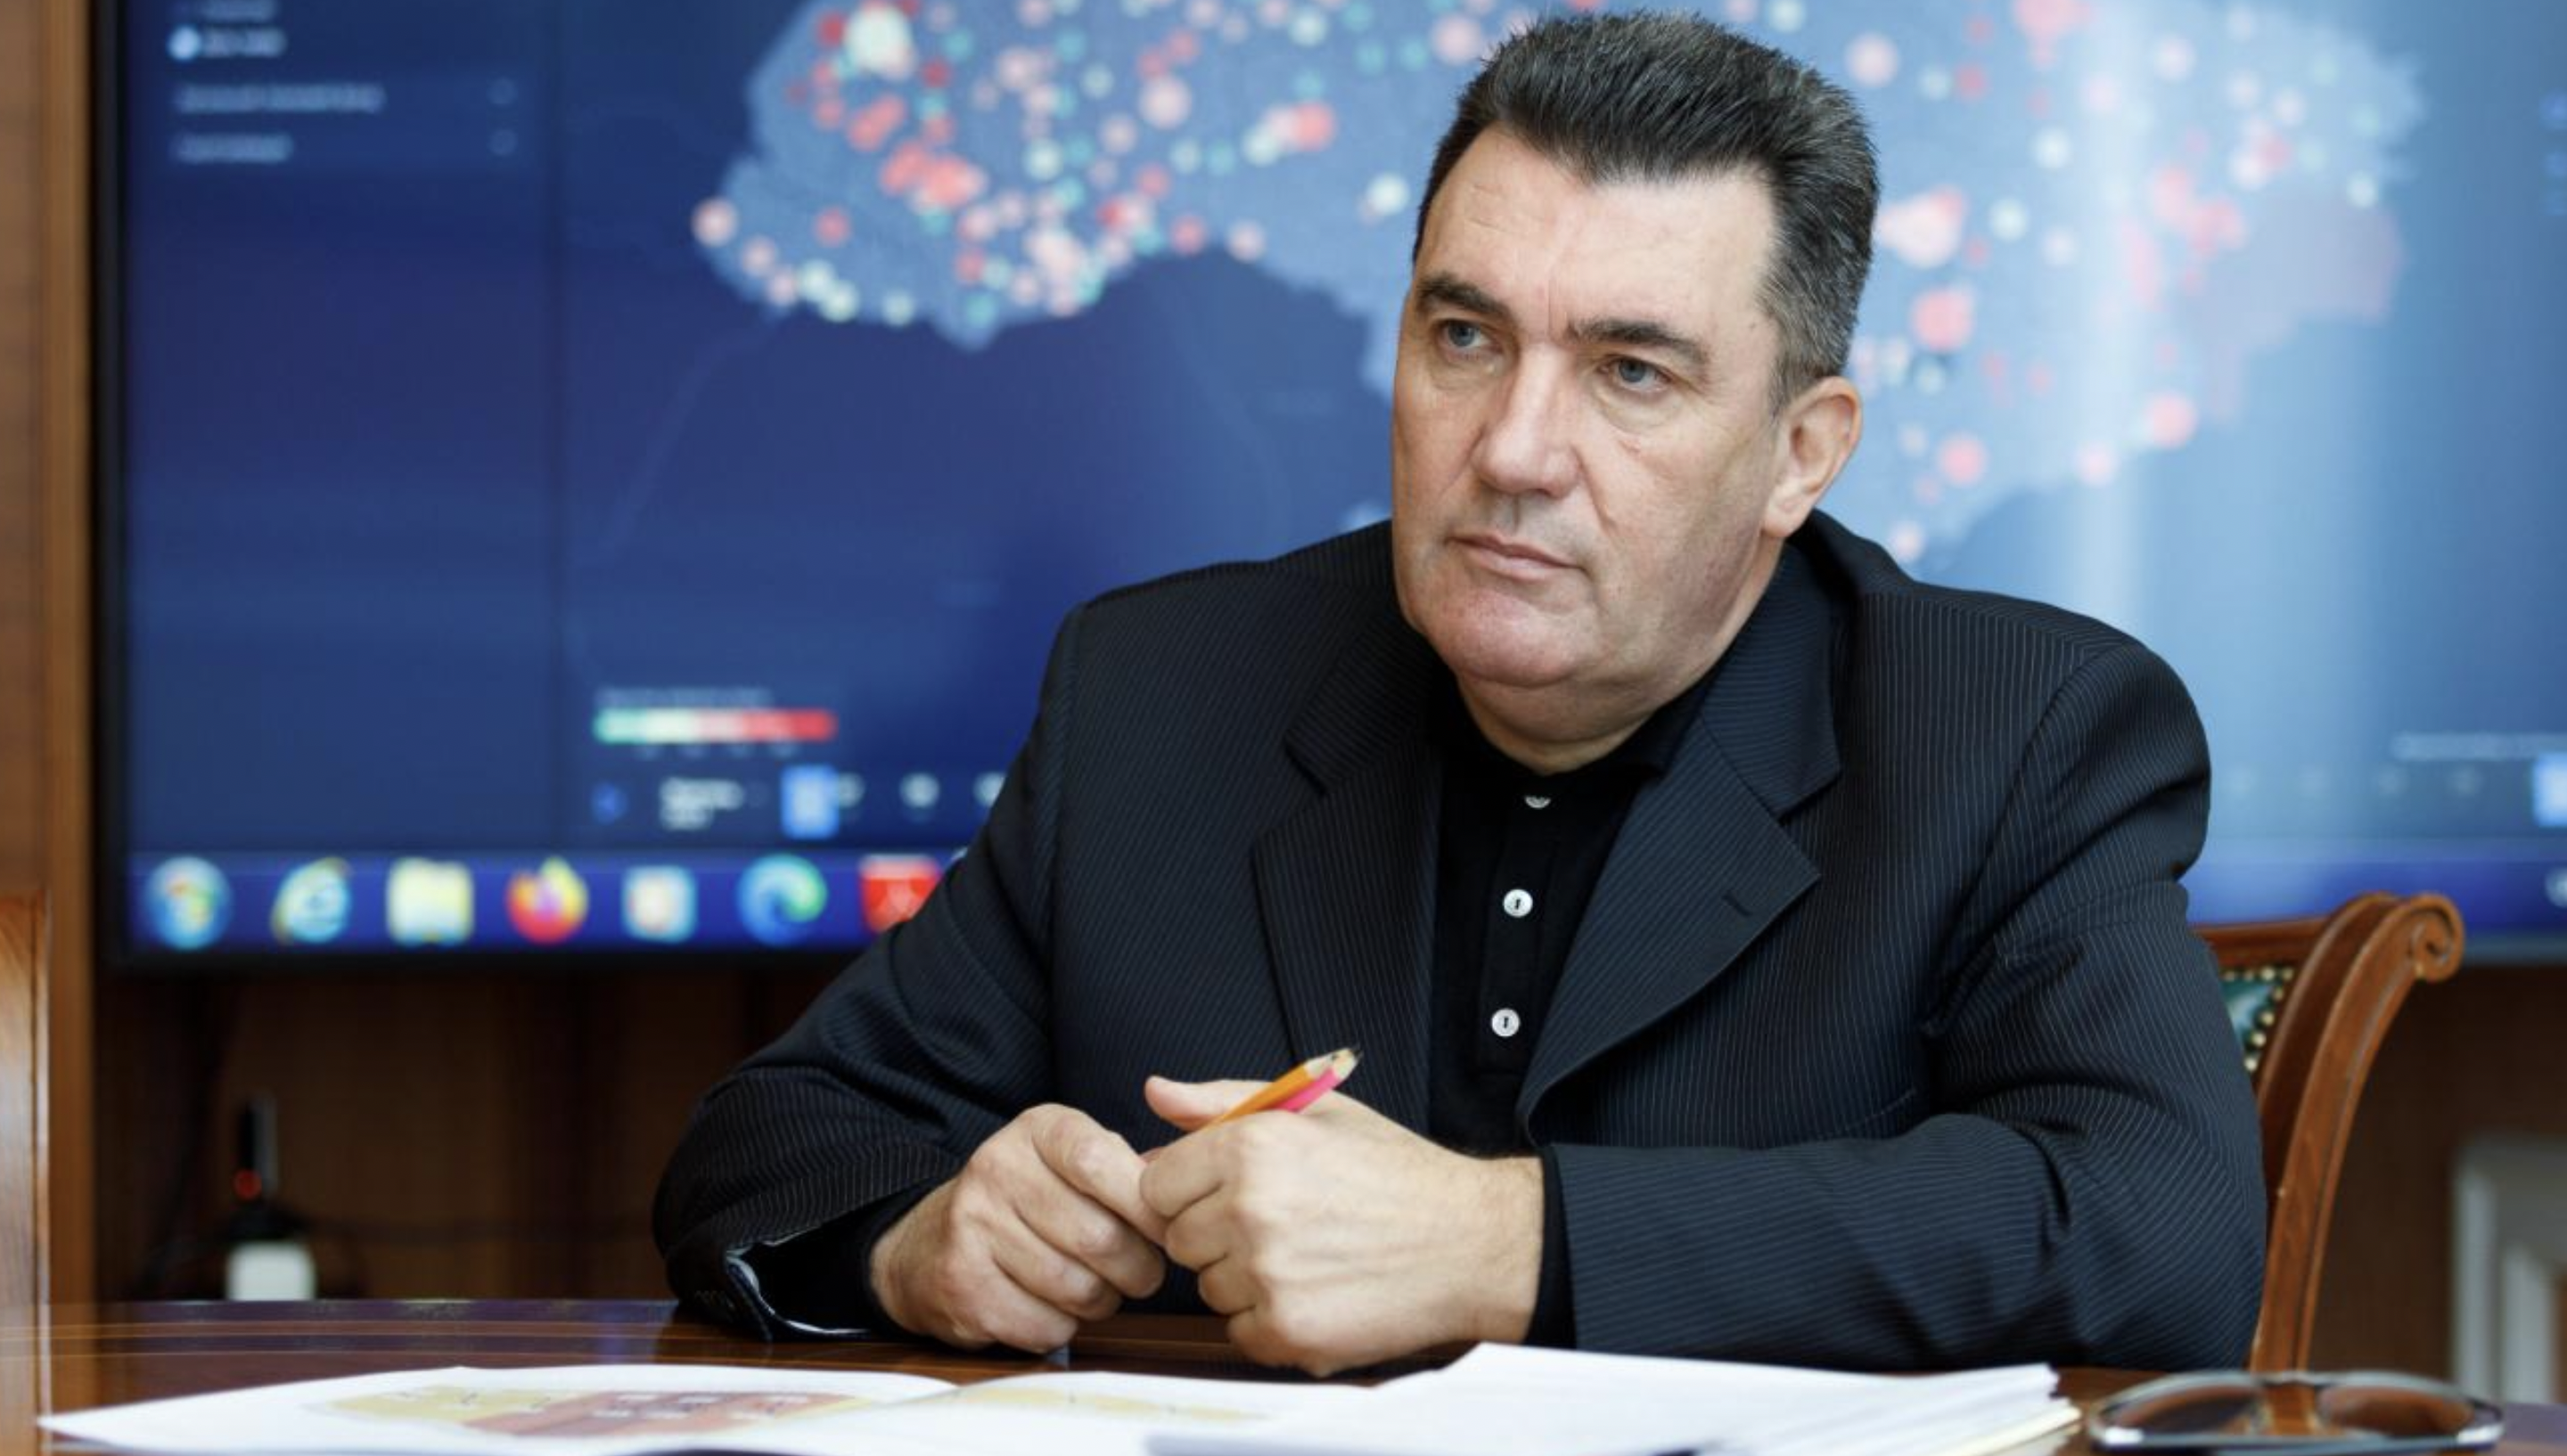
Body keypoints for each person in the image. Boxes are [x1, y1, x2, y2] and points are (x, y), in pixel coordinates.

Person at [655, 11, 2264, 1377]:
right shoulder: (1158, 690)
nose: (1512, 450)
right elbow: (773, 1139)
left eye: (1630, 372)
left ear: (1801, 451)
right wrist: (924, 1237)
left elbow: (2160, 1232)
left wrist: (1510, 1241)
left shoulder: (2016, 730)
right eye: (1466, 336)